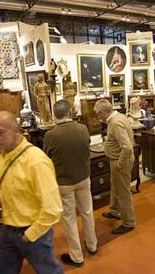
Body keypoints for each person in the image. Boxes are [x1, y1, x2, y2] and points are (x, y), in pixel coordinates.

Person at [0, 111, 63, 274]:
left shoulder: (36, 161)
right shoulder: (4, 153)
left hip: (33, 232)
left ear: (16, 130)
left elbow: (53, 209)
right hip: (8, 228)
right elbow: (13, 184)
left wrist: (29, 236)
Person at [43, 100, 97, 268]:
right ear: (70, 111)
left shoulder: (51, 135)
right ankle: (92, 245)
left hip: (64, 182)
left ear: (54, 114)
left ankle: (77, 256)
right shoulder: (83, 129)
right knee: (87, 212)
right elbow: (87, 147)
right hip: (83, 177)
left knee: (69, 219)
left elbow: (46, 158)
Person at [94, 99, 135, 234]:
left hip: (120, 161)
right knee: (115, 186)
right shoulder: (119, 117)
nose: (98, 117)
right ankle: (115, 210)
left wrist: (119, 164)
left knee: (123, 192)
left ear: (103, 112)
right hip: (119, 159)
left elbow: (127, 147)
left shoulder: (115, 123)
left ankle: (128, 222)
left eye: (98, 114)